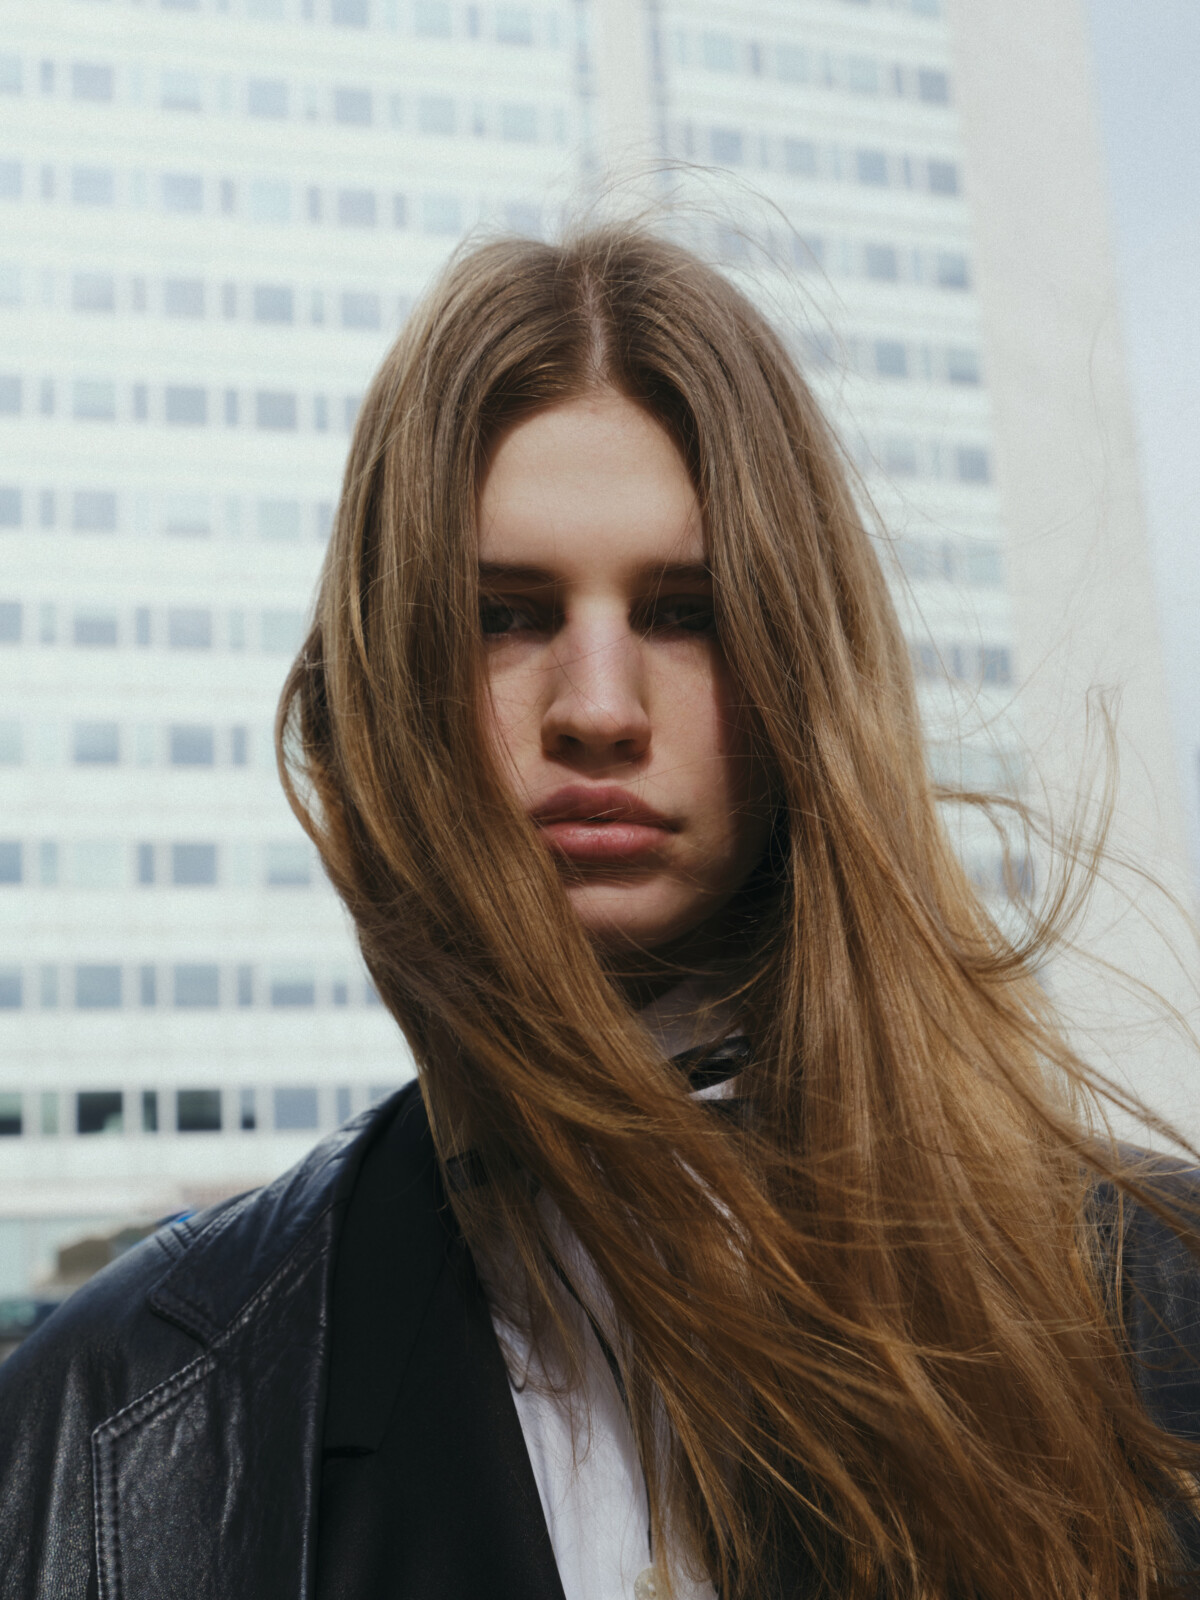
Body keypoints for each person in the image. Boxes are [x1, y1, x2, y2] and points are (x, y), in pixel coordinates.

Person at [1, 226, 1199, 1600]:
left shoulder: (1160, 1305)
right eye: (505, 616)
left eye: (687, 611)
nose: (599, 708)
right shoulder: (100, 1426)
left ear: (804, 662)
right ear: (387, 681)